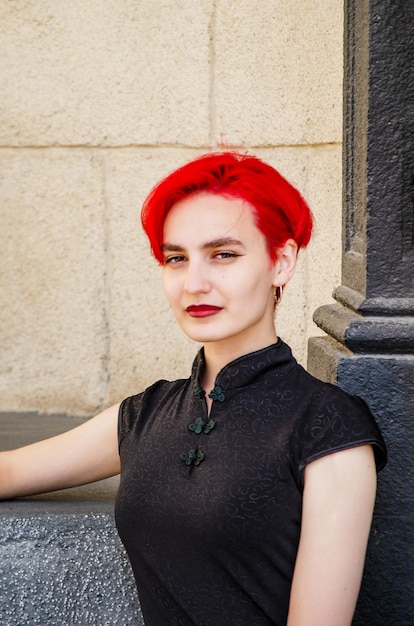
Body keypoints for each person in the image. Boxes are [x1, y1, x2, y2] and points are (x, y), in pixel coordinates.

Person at [0, 151, 387, 626]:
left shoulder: (327, 427)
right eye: (176, 258)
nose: (195, 283)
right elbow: (11, 471)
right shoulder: (146, 415)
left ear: (281, 262)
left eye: (223, 254)